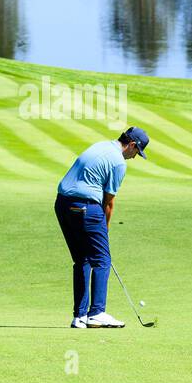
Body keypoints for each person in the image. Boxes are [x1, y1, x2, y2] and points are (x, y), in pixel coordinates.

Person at [54, 127, 150, 329]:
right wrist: (104, 231)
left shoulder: (101, 145)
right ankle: (97, 313)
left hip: (62, 204)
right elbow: (108, 203)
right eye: (137, 152)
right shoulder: (118, 163)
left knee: (82, 259)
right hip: (86, 207)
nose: (134, 157)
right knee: (102, 259)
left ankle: (79, 316)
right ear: (132, 145)